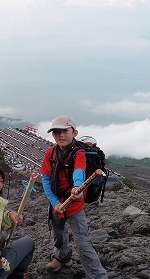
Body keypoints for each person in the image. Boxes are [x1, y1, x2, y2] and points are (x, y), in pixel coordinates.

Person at [40, 115, 108, 279]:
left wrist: (77, 187)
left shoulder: (79, 153)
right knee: (58, 234)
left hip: (74, 205)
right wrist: (55, 203)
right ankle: (62, 258)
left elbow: (79, 170)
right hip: (56, 205)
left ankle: (98, 276)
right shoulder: (51, 152)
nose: (61, 135)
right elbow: (45, 178)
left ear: (74, 133)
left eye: (65, 131)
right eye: (57, 132)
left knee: (83, 244)